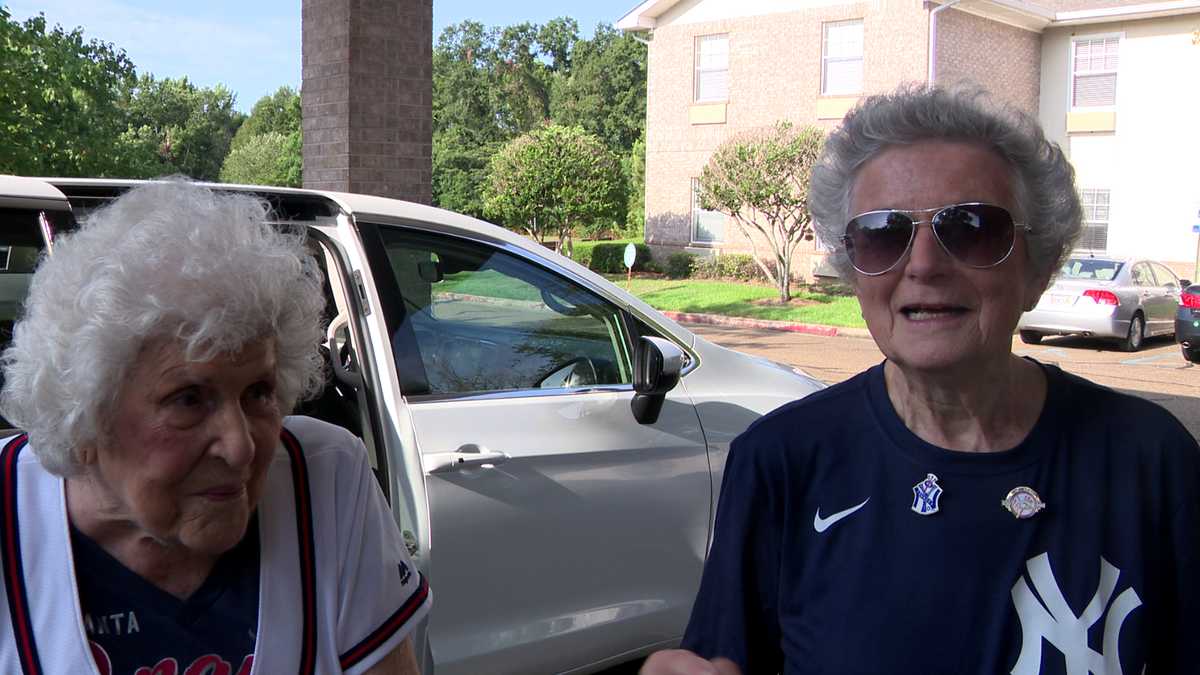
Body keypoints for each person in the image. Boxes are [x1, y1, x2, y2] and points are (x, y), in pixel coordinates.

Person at [641, 84, 1199, 674]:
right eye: (882, 233)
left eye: (973, 228)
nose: (925, 265)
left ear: (1038, 268)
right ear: (853, 272)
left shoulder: (1151, 460)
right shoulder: (781, 462)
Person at [0, 181, 430, 674]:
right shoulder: (12, 514)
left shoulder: (325, 478)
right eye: (187, 399)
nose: (241, 446)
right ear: (86, 416)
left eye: (259, 393)